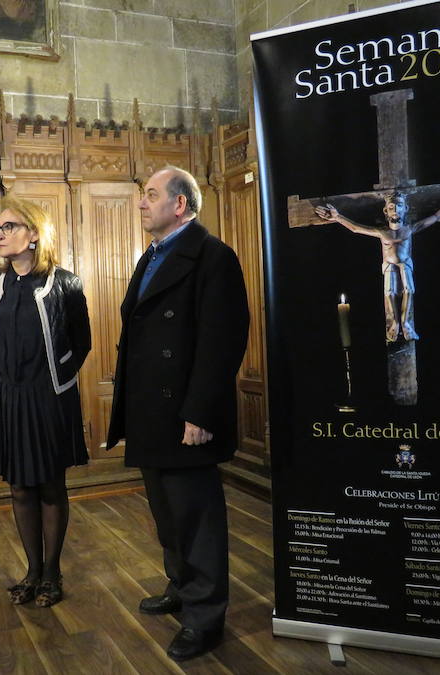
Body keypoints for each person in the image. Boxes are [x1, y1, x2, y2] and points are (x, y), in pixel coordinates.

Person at [106, 166, 249, 662]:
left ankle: (205, 616)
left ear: (180, 204)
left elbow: (222, 342)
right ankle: (181, 586)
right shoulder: (155, 254)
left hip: (187, 414)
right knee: (166, 514)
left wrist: (200, 411)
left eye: (149, 195)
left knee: (197, 519)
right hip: (150, 410)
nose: (141, 203)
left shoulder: (214, 257)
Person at [0, 194, 90, 608]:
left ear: (34, 235)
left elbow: (82, 342)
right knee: (19, 487)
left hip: (48, 400)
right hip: (6, 397)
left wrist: (52, 381)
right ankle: (31, 570)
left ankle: (52, 572)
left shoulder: (65, 282)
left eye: (9, 227)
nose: (1, 234)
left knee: (49, 486)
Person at [314, 184, 440, 342]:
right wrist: (338, 217)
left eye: (399, 206)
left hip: (405, 264)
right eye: (392, 207)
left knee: (409, 289)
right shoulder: (382, 232)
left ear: (405, 208)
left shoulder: (409, 229)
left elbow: (436, 217)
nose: (395, 210)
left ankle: (406, 324)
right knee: (389, 293)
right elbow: (356, 228)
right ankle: (394, 324)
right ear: (386, 211)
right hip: (389, 266)